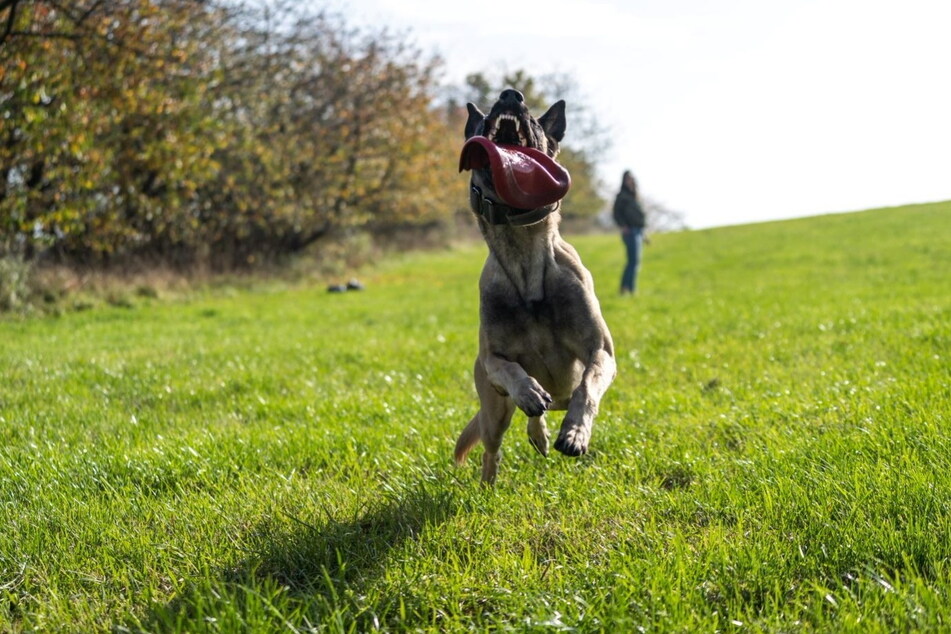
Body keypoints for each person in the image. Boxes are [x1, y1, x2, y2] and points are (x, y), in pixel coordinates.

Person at [613, 170, 646, 294]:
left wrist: (644, 234)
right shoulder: (622, 196)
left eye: (631, 178)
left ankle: (629, 288)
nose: (630, 180)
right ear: (624, 181)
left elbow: (638, 216)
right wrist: (623, 226)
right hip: (630, 232)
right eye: (627, 178)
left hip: (638, 231)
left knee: (635, 262)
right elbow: (616, 213)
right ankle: (628, 289)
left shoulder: (634, 196)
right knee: (633, 262)